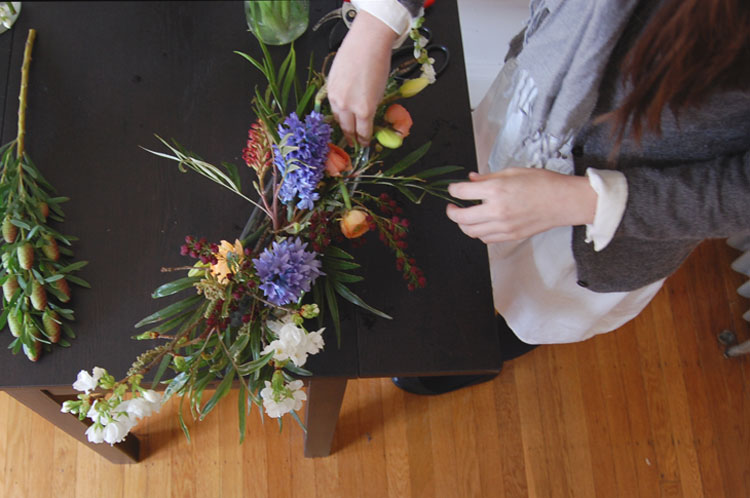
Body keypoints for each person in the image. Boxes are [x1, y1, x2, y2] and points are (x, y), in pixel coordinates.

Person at [327, 0, 750, 394]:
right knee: (461, 247)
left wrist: (582, 201)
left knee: (541, 301)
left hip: (617, 217)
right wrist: (377, 25)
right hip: (531, 106)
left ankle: (493, 348)